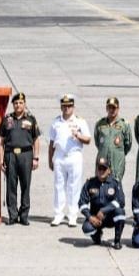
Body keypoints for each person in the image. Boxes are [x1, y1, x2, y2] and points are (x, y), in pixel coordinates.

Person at [49, 93, 91, 227]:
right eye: (64, 106)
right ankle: (58, 214)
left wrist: (79, 136)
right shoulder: (56, 122)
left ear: (73, 107)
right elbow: (51, 143)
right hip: (60, 156)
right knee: (59, 186)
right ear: (61, 107)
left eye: (69, 106)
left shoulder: (80, 121)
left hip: (74, 156)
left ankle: (72, 215)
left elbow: (88, 139)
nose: (66, 108)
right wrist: (50, 159)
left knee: (74, 186)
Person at [0, 91, 39, 226]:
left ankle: (24, 215)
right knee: (11, 186)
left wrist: (36, 158)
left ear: (25, 104)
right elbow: (1, 142)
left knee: (25, 186)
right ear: (13, 105)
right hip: (10, 155)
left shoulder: (31, 119)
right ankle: (13, 215)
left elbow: (36, 140)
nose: (18, 105)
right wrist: (1, 159)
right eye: (15, 103)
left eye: (21, 103)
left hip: (26, 155)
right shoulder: (7, 119)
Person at [79, 157, 126, 249]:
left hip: (110, 217)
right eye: (99, 168)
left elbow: (121, 201)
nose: (101, 171)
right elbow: (82, 203)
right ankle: (97, 236)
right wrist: (90, 217)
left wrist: (104, 210)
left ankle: (117, 241)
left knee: (120, 213)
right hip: (95, 217)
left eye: (104, 169)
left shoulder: (115, 183)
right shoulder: (89, 183)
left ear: (109, 170)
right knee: (87, 229)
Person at [94, 96, 133, 183]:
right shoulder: (100, 124)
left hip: (117, 162)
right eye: (109, 107)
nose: (111, 110)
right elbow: (97, 142)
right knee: (100, 185)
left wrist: (118, 153)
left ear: (118, 108)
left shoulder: (124, 125)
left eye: (114, 107)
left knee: (116, 184)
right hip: (102, 160)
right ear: (106, 108)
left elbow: (128, 144)